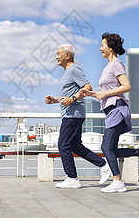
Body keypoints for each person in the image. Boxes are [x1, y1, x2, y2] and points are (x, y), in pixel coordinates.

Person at [80, 33, 139, 193]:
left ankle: (118, 181)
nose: (100, 48)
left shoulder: (116, 64)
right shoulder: (108, 66)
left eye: (102, 45)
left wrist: (105, 94)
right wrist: (89, 94)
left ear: (110, 47)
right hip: (111, 111)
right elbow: (105, 92)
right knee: (111, 149)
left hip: (117, 109)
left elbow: (126, 86)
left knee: (106, 147)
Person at [45, 44, 111, 189]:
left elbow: (88, 88)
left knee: (63, 145)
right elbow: (68, 96)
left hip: (73, 115)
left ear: (67, 55)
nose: (56, 57)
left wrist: (73, 99)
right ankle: (103, 165)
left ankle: (72, 178)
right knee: (75, 146)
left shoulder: (74, 70)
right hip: (71, 114)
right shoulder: (67, 72)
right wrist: (56, 100)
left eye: (58, 53)